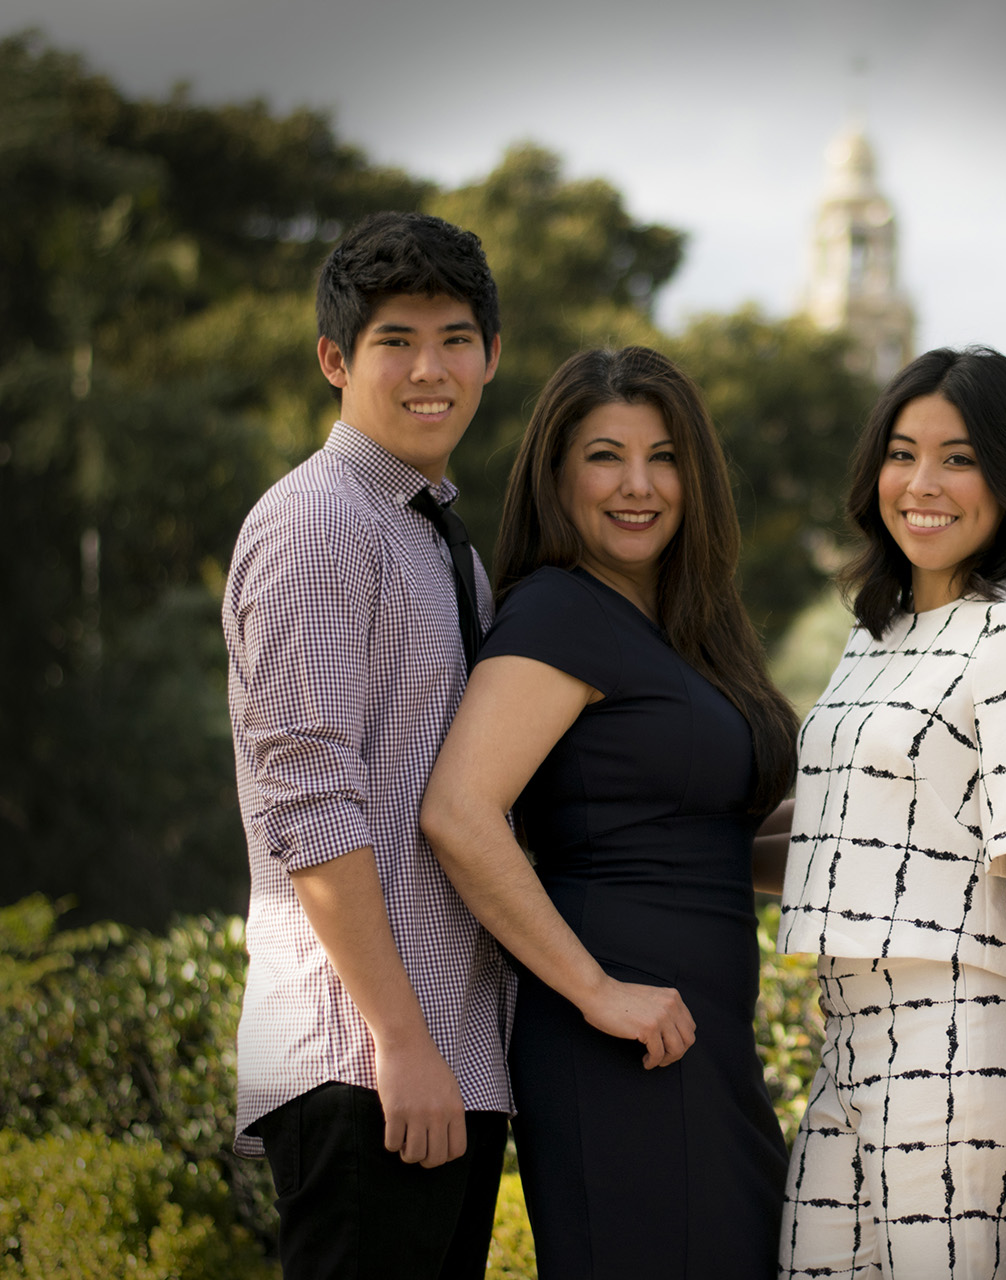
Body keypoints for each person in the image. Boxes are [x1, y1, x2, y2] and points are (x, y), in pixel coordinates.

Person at [418, 345, 797, 1278]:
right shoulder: (560, 611)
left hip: (703, 1041)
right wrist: (597, 991)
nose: (639, 485)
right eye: (605, 456)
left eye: (663, 457)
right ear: (556, 476)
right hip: (620, 1044)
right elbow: (459, 812)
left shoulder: (685, 630)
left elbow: (713, 841)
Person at [775, 346, 1006, 1279]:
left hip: (960, 1027)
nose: (922, 484)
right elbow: (833, 826)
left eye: (959, 459)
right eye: (902, 453)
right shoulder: (873, 634)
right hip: (845, 1029)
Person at [222, 211, 510, 1278]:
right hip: (368, 1060)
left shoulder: (435, 539)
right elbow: (306, 801)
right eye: (396, 340)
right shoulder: (319, 523)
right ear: (336, 360)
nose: (430, 369)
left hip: (448, 1057)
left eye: (454, 338)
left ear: (491, 355)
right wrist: (399, 1037)